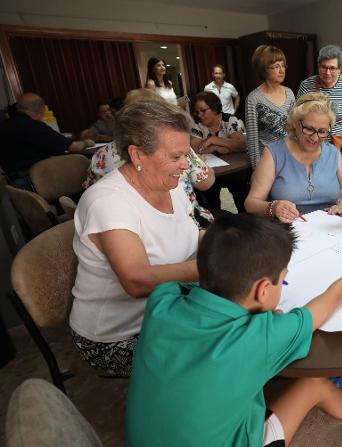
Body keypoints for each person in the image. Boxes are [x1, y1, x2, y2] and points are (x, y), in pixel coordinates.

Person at [125, 212, 342, 447]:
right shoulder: (262, 335)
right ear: (263, 289)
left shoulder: (162, 299)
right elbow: (332, 298)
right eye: (283, 280)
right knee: (314, 385)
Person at [70, 100, 204, 376]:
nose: (185, 165)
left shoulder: (172, 186)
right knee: (219, 348)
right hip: (117, 335)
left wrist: (235, 243)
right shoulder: (108, 202)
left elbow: (189, 235)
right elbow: (137, 281)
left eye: (186, 155)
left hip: (167, 310)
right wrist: (218, 267)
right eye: (176, 156)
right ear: (138, 155)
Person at [84, 88, 216, 227]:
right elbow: (206, 182)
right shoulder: (171, 149)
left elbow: (90, 190)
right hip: (182, 224)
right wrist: (200, 161)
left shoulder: (99, 156)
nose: (183, 163)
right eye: (177, 157)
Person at [245, 92, 342, 222]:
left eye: (322, 131)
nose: (315, 138)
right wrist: (274, 207)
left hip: (329, 229)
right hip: (288, 230)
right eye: (309, 129)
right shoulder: (274, 153)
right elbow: (251, 203)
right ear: (295, 123)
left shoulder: (334, 153)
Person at [0, 92, 94, 190]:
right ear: (41, 110)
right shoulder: (34, 126)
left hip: (13, 185)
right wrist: (87, 142)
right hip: (36, 182)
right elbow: (74, 147)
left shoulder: (3, 126)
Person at [190, 91, 248, 212]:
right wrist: (219, 147)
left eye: (203, 110)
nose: (199, 115)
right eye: (197, 112)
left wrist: (213, 139)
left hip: (234, 170)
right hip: (212, 172)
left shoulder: (229, 120)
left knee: (242, 197)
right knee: (210, 201)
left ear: (215, 108)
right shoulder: (197, 125)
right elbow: (195, 149)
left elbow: (241, 144)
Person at [297, 45, 342, 148]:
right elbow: (296, 115)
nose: (327, 72)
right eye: (324, 67)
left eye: (332, 68)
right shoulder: (306, 85)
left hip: (339, 146)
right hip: (312, 144)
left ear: (339, 69)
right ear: (318, 66)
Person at [245, 45, 296, 169]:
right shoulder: (254, 99)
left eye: (283, 65)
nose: (282, 70)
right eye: (276, 66)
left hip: (291, 157)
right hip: (268, 162)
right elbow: (252, 139)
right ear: (264, 69)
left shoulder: (289, 93)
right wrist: (257, 170)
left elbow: (296, 128)